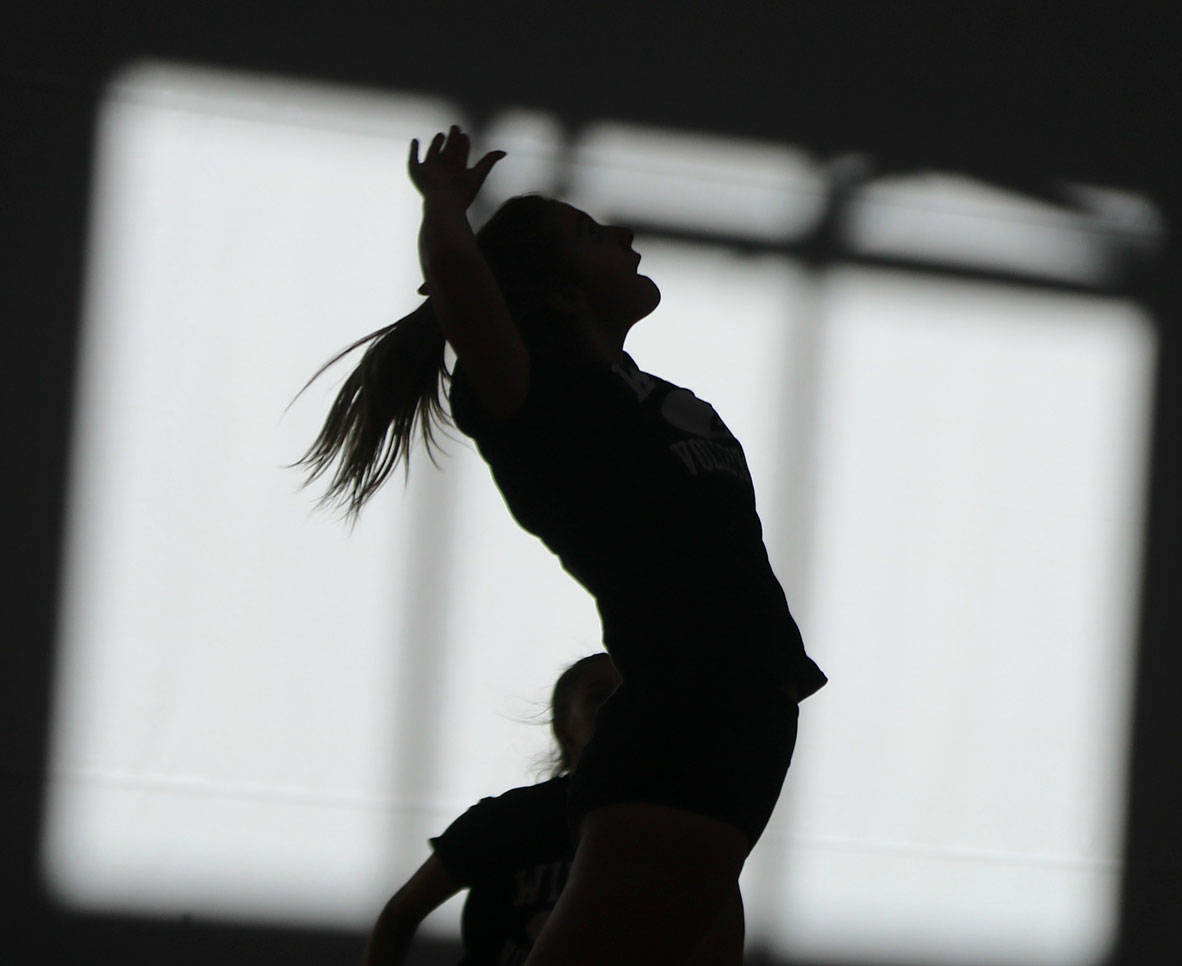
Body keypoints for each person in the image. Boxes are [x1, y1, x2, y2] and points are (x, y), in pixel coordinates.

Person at [298, 125, 827, 965]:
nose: (623, 234)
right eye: (589, 234)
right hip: (683, 715)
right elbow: (466, 289)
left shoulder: (659, 397)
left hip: (746, 716)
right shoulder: (537, 394)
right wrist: (445, 211)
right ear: (561, 295)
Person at [361, 653, 622, 966]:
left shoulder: (665, 828)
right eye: (598, 696)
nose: (615, 708)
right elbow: (401, 914)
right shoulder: (511, 818)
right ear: (563, 726)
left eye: (627, 697)